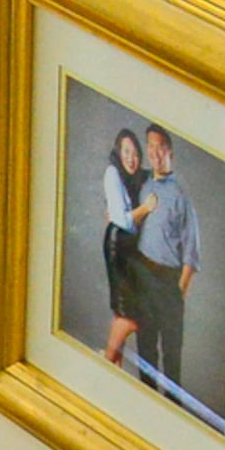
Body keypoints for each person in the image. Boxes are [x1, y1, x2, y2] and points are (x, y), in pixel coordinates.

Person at [128, 124, 201, 388]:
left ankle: (170, 408)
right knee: (145, 350)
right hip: (143, 277)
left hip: (169, 281)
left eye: (160, 147)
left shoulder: (181, 197)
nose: (155, 153)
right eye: (150, 147)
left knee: (171, 356)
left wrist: (177, 293)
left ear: (170, 151)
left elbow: (192, 253)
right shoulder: (143, 185)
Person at [98, 128, 149, 370]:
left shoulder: (138, 178)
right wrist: (146, 208)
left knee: (123, 312)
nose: (131, 158)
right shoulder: (112, 173)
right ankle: (107, 361)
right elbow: (124, 222)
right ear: (118, 153)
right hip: (118, 247)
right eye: (126, 152)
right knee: (130, 317)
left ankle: (112, 367)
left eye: (135, 153)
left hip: (131, 250)